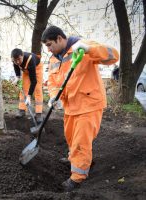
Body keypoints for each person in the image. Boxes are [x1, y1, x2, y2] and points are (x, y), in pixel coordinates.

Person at [41, 26, 119, 192]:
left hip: (89, 104)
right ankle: (75, 159)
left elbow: (113, 56)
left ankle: (77, 177)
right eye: (46, 46)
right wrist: (54, 97)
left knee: (80, 142)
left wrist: (90, 49)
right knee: (70, 138)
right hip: (70, 107)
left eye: (49, 44)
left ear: (60, 39)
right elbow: (53, 82)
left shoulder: (82, 46)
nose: (48, 49)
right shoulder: (54, 59)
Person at [11, 48, 44, 123]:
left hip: (36, 68)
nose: (17, 62)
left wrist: (29, 96)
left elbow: (34, 81)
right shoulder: (15, 60)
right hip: (26, 70)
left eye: (19, 59)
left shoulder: (30, 60)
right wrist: (17, 77)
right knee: (24, 88)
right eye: (15, 60)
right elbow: (16, 67)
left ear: (22, 55)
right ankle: (22, 110)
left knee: (37, 89)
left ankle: (38, 113)